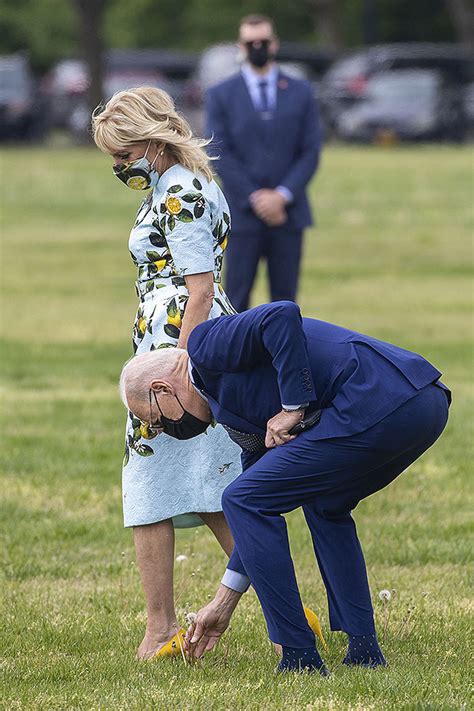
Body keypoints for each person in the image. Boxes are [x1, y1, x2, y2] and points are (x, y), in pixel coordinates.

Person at [119, 301, 451, 674]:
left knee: (242, 499)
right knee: (324, 504)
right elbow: (254, 509)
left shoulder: (204, 344)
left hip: (384, 398)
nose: (162, 431)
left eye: (156, 421)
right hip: (421, 404)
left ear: (162, 388)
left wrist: (294, 405)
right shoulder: (233, 418)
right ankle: (364, 649)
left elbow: (280, 315)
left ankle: (298, 656)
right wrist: (223, 602)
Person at [91, 86, 242, 660]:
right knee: (208, 483)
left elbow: (199, 291)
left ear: (149, 141)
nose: (118, 166)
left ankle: (161, 629)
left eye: (121, 152)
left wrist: (181, 362)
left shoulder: (179, 190)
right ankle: (284, 604)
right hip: (170, 339)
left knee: (167, 480)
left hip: (178, 345)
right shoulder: (179, 183)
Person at [205, 14, 322, 312]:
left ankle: (282, 359)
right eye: (250, 42)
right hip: (243, 214)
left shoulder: (300, 91)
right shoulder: (221, 95)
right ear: (240, 46)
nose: (258, 47)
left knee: (285, 303)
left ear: (275, 44)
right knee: (236, 299)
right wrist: (256, 198)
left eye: (264, 41)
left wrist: (282, 196)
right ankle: (236, 359)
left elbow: (310, 151)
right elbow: (220, 151)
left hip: (288, 214)